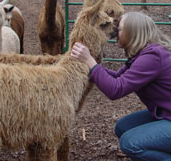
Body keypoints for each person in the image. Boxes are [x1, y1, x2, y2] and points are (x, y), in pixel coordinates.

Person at [71, 11, 171, 161]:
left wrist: (90, 62)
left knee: (130, 143)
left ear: (133, 32)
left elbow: (115, 90)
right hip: (165, 113)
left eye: (120, 28)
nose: (115, 31)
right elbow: (117, 77)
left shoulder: (153, 57)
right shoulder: (142, 54)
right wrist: (91, 66)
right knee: (123, 127)